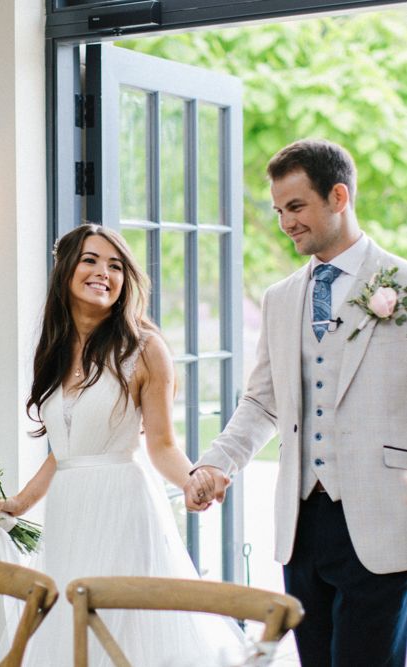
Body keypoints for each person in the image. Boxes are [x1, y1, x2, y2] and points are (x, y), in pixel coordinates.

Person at [186, 139, 407, 667]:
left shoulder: (402, 282)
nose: (285, 222)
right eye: (278, 210)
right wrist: (218, 461)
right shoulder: (281, 298)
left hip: (385, 520)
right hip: (302, 528)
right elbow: (262, 402)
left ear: (338, 196)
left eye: (296, 206)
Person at [0, 224, 243, 666]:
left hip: (122, 507)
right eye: (91, 260)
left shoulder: (145, 349)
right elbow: (67, 450)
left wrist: (191, 479)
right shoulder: (55, 348)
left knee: (122, 629)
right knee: (67, 628)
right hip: (68, 513)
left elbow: (162, 443)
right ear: (65, 269)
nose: (104, 273)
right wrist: (20, 501)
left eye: (115, 266)